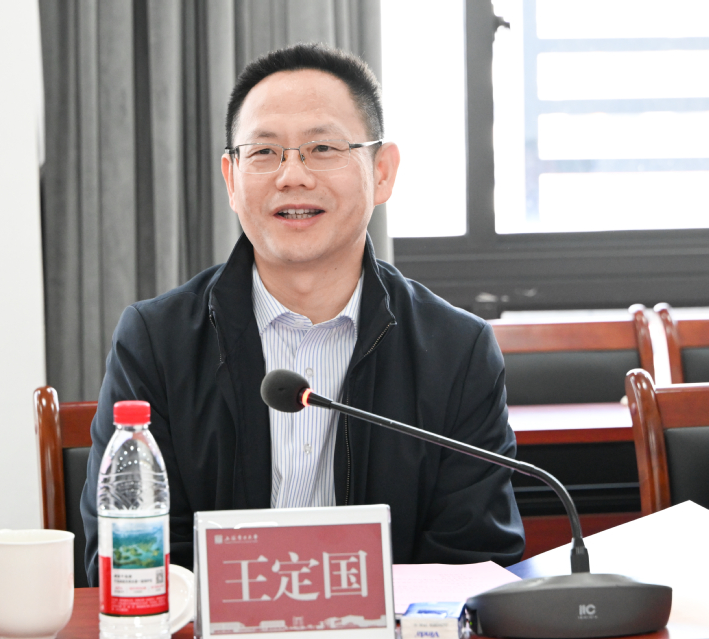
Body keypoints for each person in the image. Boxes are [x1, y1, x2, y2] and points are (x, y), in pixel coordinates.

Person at [80, 43, 524, 586]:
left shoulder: (456, 351)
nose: (292, 176)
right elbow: (132, 558)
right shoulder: (155, 342)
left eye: (322, 148)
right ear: (231, 179)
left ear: (382, 172)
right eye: (265, 152)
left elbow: (473, 560)